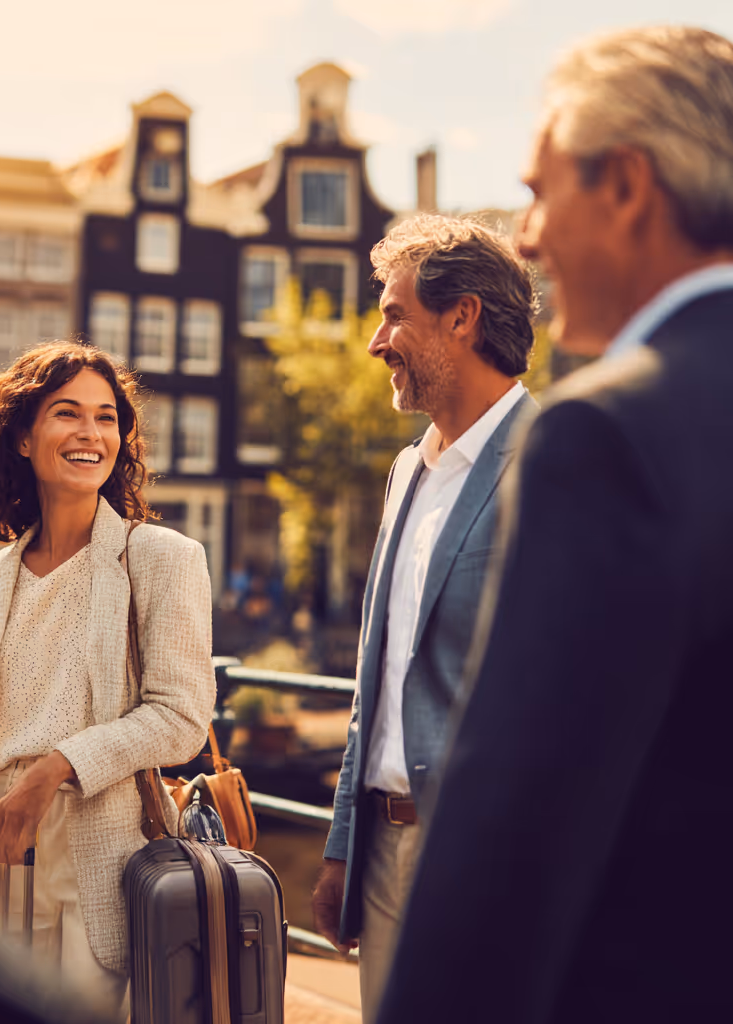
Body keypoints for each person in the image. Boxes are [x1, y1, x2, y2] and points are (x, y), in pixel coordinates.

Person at [378, 26, 733, 1024]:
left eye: (539, 192)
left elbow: (510, 826)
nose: (526, 237)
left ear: (625, 185)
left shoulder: (608, 432)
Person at [0, 341, 215, 1017]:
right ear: (24, 438)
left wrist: (52, 769)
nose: (91, 433)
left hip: (100, 858)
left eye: (107, 417)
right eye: (67, 414)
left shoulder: (161, 559)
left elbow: (181, 716)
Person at [312, 214, 538, 1023]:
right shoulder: (408, 471)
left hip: (481, 861)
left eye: (394, 313)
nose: (377, 341)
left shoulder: (550, 461)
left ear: (463, 316)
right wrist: (343, 842)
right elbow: (377, 671)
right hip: (381, 851)